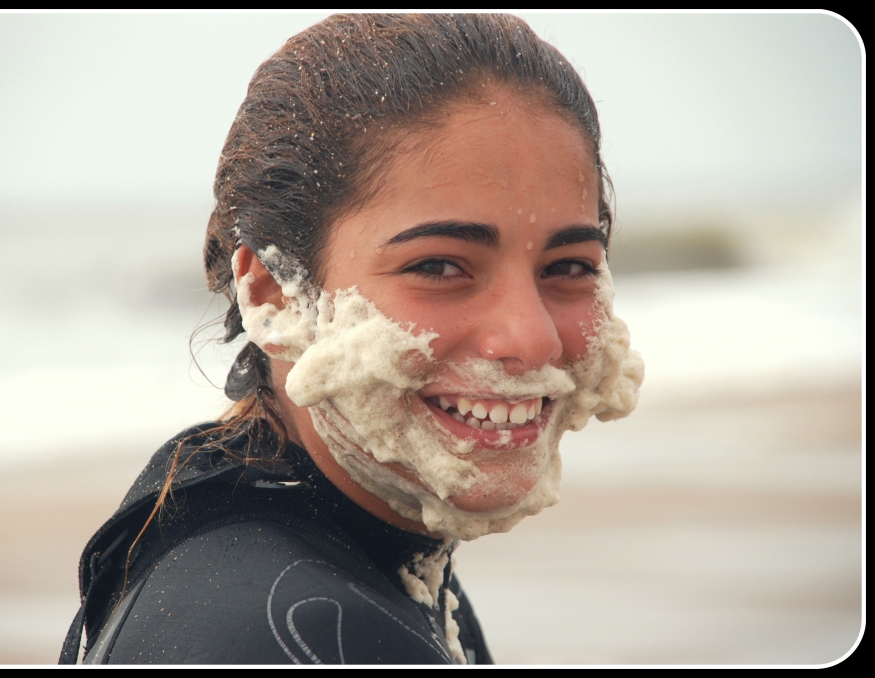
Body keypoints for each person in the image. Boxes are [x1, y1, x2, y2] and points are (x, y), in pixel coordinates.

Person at [60, 13, 643, 665]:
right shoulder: (263, 634)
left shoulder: (311, 555)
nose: (532, 338)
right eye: (440, 267)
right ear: (272, 294)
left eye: (569, 268)